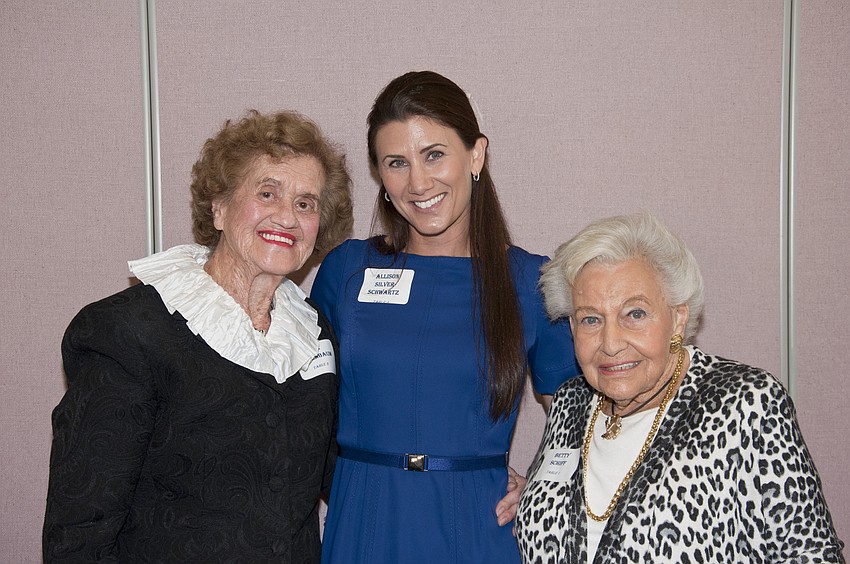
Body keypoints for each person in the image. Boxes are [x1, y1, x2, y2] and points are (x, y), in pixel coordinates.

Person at [43, 110, 353, 563]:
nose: (287, 216)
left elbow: (342, 469)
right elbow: (79, 533)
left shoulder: (313, 333)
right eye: (267, 193)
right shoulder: (128, 331)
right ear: (220, 207)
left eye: (306, 203)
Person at [310, 70, 580, 563]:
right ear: (380, 176)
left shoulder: (531, 281)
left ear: (476, 154)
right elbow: (300, 407)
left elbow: (579, 408)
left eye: (434, 154)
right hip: (364, 521)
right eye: (397, 162)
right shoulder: (346, 270)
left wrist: (547, 482)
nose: (418, 182)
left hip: (476, 525)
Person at [516, 211, 845, 562]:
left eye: (635, 314)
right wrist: (528, 491)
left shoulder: (745, 402)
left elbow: (811, 553)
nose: (610, 343)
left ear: (678, 318)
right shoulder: (571, 402)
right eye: (591, 319)